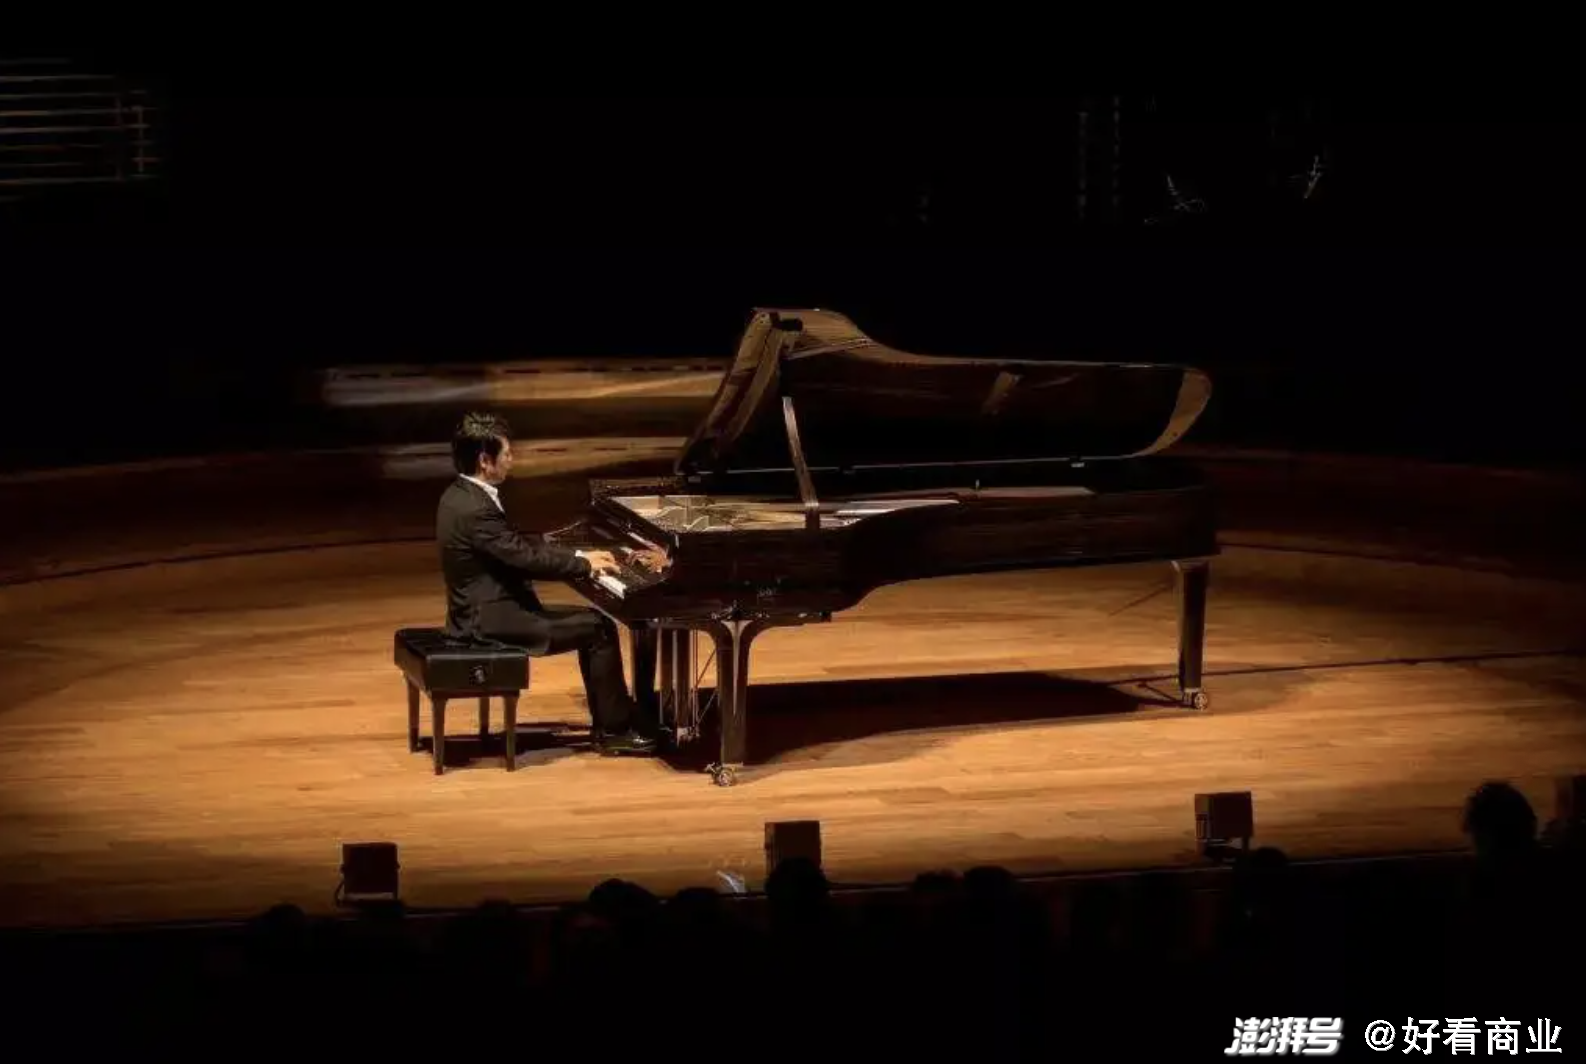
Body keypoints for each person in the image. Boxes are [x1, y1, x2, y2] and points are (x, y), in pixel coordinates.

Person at [437, 412, 666, 754]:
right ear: (485, 461)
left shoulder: (460, 495)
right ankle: (614, 731)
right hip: (490, 621)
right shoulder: (476, 510)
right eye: (507, 454)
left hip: (480, 611)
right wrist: (582, 565)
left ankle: (613, 720)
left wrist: (578, 553)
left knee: (594, 623)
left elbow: (515, 546)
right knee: (599, 629)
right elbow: (525, 559)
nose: (511, 460)